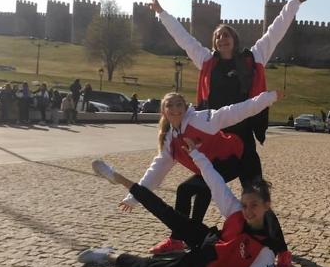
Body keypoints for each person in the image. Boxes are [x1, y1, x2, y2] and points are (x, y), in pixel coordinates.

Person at [149, 0, 305, 267]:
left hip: (243, 145)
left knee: (256, 196)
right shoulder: (207, 62)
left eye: (227, 35)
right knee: (191, 189)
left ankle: (281, 251)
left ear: (235, 39)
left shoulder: (253, 59)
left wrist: (292, 5)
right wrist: (162, 14)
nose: (223, 39)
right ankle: (179, 238)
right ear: (214, 42)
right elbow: (184, 39)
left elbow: (274, 32)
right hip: (217, 146)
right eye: (218, 36)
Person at [81, 138, 283, 267]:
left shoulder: (264, 247)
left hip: (204, 265)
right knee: (168, 214)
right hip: (210, 239)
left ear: (267, 206)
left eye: (254, 206)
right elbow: (215, 181)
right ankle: (118, 178)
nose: (247, 211)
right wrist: (196, 154)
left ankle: (109, 255)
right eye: (245, 204)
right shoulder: (236, 210)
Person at [119, 90, 286, 258]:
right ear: (163, 111)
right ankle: (179, 239)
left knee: (258, 201)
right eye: (170, 105)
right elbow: (156, 170)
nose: (175, 109)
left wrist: (268, 98)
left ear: (185, 108)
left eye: (179, 104)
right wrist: (134, 196)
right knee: (187, 189)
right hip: (212, 167)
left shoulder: (200, 120)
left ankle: (282, 251)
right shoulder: (169, 139)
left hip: (241, 158)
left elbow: (233, 111)